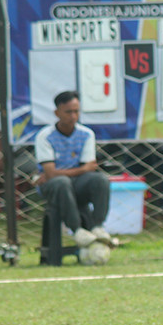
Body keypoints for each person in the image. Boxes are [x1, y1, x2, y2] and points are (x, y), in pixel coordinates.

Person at [34, 91, 111, 248]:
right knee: (61, 182)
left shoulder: (86, 134)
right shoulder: (45, 136)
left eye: (76, 111)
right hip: (52, 187)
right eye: (68, 112)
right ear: (57, 113)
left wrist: (58, 172)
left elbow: (89, 170)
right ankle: (76, 230)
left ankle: (98, 227)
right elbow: (51, 174)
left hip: (76, 184)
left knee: (100, 180)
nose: (73, 116)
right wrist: (80, 169)